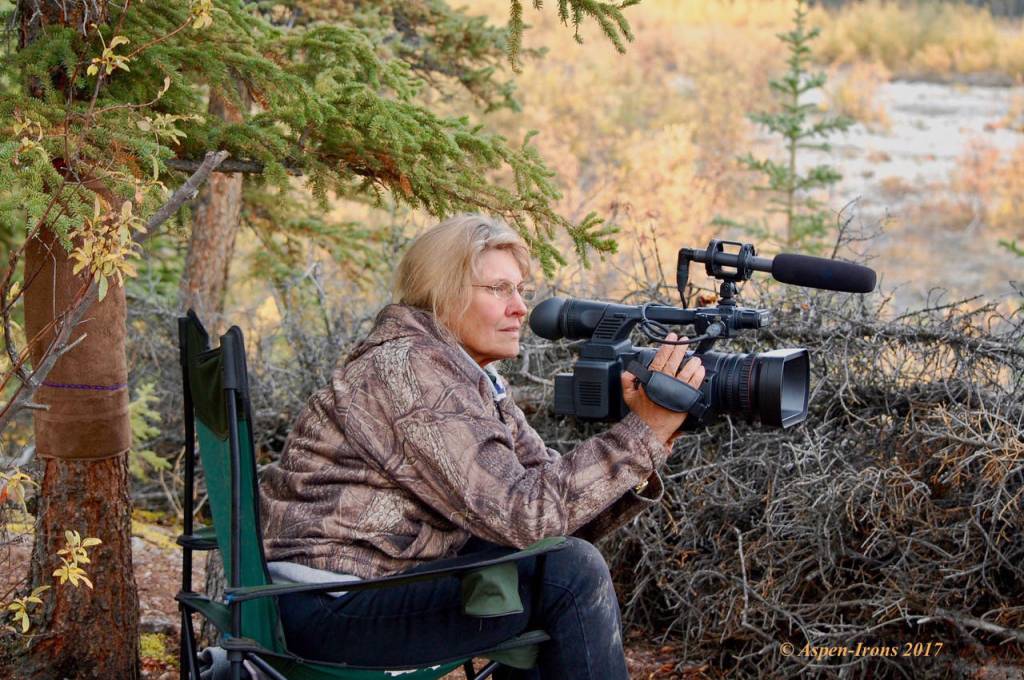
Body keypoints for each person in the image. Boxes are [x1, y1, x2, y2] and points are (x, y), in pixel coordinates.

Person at [259, 214, 705, 678]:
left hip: (368, 585)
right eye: (498, 289)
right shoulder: (413, 371)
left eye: (520, 290)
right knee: (568, 573)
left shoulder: (466, 373)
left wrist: (654, 435)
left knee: (546, 565)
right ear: (443, 293)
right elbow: (528, 516)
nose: (519, 309)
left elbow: (548, 515)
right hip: (329, 604)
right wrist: (640, 434)